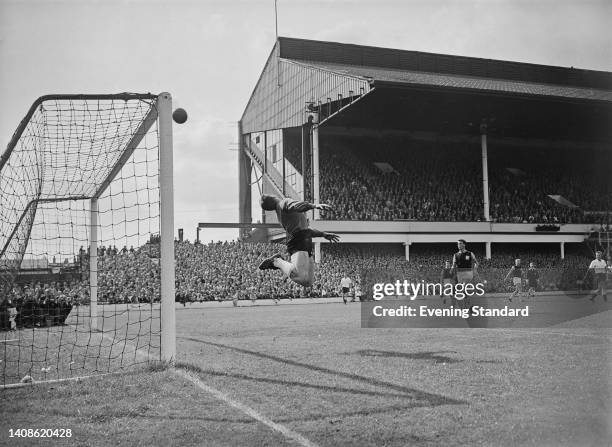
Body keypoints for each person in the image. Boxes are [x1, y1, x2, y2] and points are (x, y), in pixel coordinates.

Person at [258, 195, 340, 289]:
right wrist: (313, 206)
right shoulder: (282, 203)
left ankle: (279, 263)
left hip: (304, 239)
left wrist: (323, 234)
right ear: (273, 198)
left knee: (308, 282)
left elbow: (306, 230)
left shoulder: (281, 211)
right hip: (297, 240)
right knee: (300, 276)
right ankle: (276, 261)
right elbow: (295, 205)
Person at [451, 239, 479, 306]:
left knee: (463, 288)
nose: (458, 245)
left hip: (468, 273)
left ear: (464, 244)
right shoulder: (455, 255)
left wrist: (475, 270)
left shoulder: (470, 253)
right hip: (459, 274)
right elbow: (453, 265)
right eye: (458, 244)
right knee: (464, 291)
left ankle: (465, 307)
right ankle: (468, 305)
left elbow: (477, 263)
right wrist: (451, 271)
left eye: (460, 243)